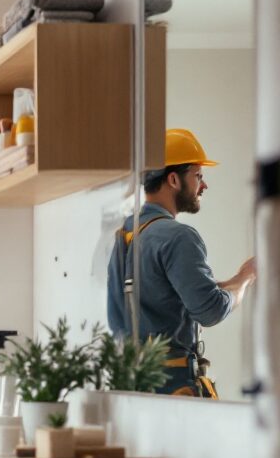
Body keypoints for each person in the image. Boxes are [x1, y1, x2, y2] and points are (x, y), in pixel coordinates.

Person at [107, 128, 257, 397]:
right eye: (198, 176)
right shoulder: (178, 237)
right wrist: (245, 279)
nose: (204, 185)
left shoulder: (126, 234)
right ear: (174, 179)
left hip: (132, 385)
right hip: (172, 388)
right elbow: (210, 310)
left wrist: (231, 280)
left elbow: (165, 294)